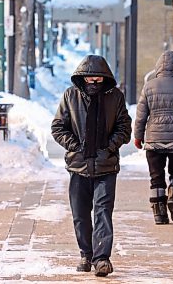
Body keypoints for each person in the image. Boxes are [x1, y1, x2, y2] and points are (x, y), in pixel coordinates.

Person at [52, 54, 131, 277]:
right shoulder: (70, 96)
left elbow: (125, 126)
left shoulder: (115, 97)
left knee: (103, 212)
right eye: (90, 79)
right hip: (78, 166)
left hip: (106, 166)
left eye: (98, 79)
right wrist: (75, 146)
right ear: (83, 79)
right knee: (80, 214)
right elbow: (58, 127)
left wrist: (110, 147)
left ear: (104, 78)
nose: (94, 83)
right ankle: (86, 254)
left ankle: (102, 258)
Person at [134, 50, 173, 225]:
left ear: (158, 67)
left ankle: (159, 214)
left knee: (156, 176)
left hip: (154, 139)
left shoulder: (149, 86)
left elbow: (141, 114)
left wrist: (138, 136)